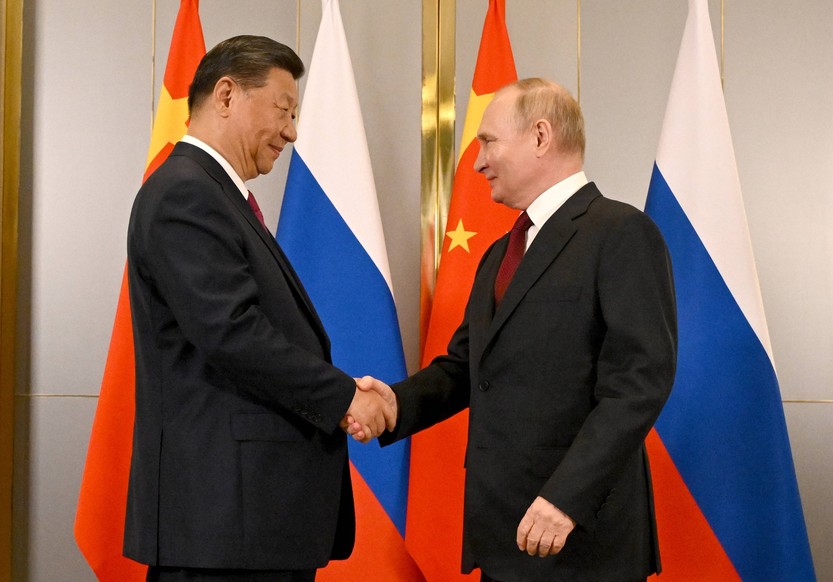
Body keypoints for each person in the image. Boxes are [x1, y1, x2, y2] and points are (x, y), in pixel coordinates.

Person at [351, 78, 678, 582]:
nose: (478, 162)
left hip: (579, 537)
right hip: (505, 532)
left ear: (541, 136)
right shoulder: (499, 255)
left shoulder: (620, 233)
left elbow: (639, 384)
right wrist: (394, 405)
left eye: (488, 142)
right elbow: (467, 367)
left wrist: (565, 499)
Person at [123, 35, 395, 581]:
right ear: (226, 95)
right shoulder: (186, 194)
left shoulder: (215, 196)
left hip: (247, 528)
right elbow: (233, 334)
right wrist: (345, 396)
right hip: (221, 528)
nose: (292, 131)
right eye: (283, 110)